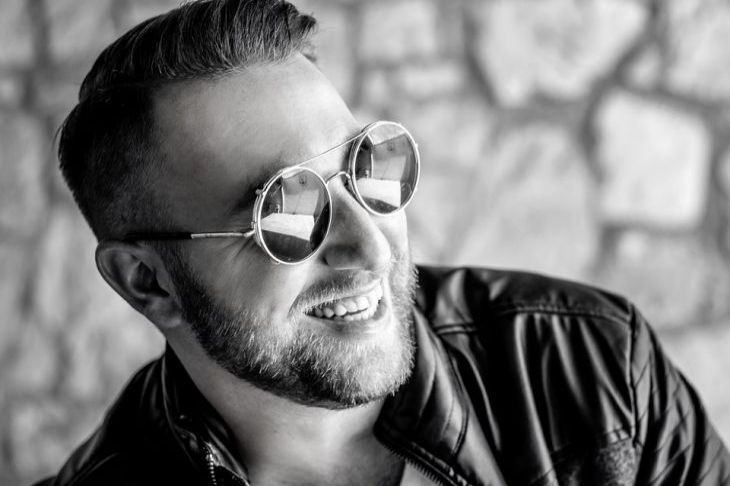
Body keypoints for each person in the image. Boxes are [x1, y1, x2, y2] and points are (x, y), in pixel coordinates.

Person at [36, 0, 730, 485]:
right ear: (148, 281)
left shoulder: (597, 371)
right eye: (286, 210)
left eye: (365, 167)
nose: (371, 246)